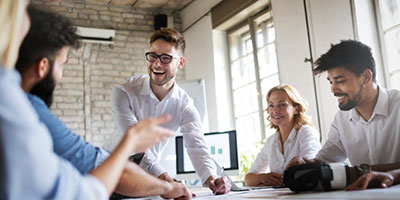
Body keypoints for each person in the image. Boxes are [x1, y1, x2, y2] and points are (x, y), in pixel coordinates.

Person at [0, 1, 176, 199]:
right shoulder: (24, 110)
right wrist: (133, 141)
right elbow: (93, 189)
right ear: (42, 67)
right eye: (62, 64)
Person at [111, 28, 231, 194]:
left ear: (180, 63)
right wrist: (167, 182)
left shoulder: (185, 105)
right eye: (152, 55)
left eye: (166, 58)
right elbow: (136, 143)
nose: (157, 64)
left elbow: (196, 147)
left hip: (148, 184)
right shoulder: (124, 93)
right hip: (112, 178)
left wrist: (212, 179)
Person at [287, 40, 400, 189]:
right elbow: (326, 160)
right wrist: (306, 164)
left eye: (340, 81)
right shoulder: (342, 119)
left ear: (366, 77)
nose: (333, 90)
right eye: (331, 82)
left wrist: (394, 174)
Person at [244, 85, 321, 186]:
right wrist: (263, 177)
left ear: (296, 109)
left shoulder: (306, 133)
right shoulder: (271, 141)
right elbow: (248, 179)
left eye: (281, 105)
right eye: (271, 105)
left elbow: (311, 170)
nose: (275, 110)